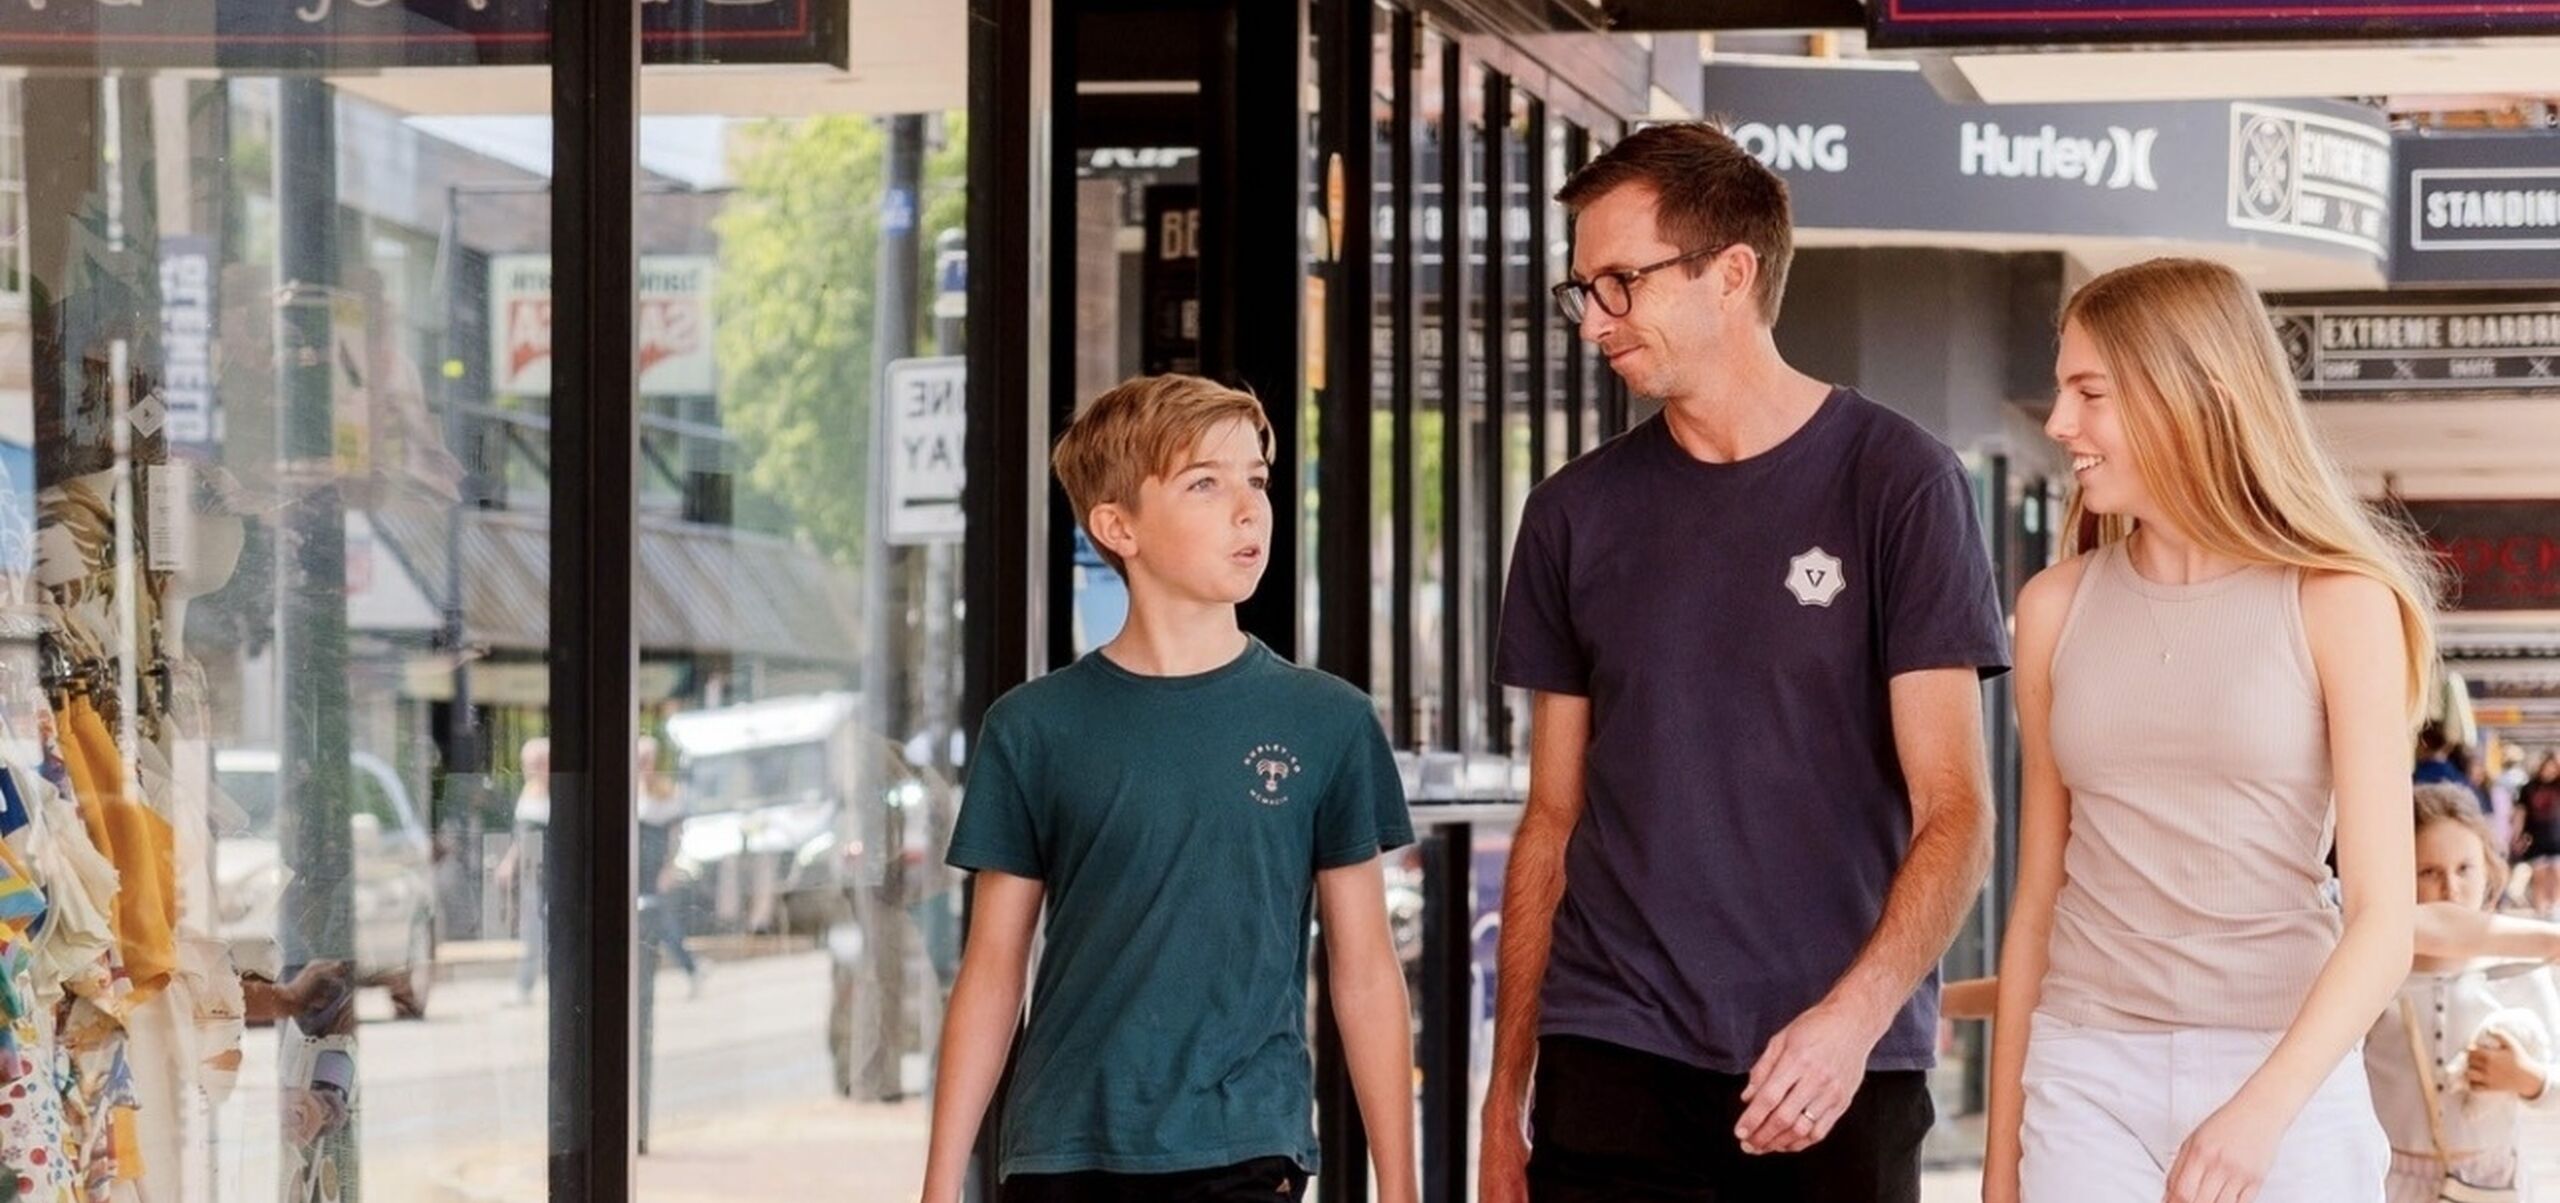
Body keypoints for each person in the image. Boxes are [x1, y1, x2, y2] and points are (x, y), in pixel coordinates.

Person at [1483, 121, 2009, 1203]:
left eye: (1619, 283)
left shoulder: (1899, 484)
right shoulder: (1571, 516)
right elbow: (1552, 820)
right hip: (1611, 1053)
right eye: (1581, 289)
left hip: (1832, 1068)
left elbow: (1955, 811)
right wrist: (1502, 1099)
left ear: (1732, 273)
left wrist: (1850, 1020)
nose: (1595, 321)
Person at [1985, 257, 2436, 1203]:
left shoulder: (2339, 603)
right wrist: (2000, 1167)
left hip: (2288, 1074)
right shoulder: (2053, 609)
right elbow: (2035, 902)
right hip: (2084, 1068)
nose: (2060, 421)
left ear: (2197, 396)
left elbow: (2383, 921)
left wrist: (2262, 1109)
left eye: (2089, 391)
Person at [919, 375, 1418, 1203]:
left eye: (1256, 478)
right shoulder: (1033, 728)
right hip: (1061, 1149)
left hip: (1244, 1144)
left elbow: (1364, 970)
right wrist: (940, 1185)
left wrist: (1399, 1186)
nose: (1249, 506)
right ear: (1119, 526)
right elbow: (993, 968)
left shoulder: (1327, 721)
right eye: (1204, 483)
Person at [2363, 784, 2560, 1203]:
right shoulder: (2369, 978)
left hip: (2494, 1184)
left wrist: (2530, 1079)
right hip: (2389, 1181)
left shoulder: (2520, 972)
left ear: (2489, 870)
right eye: (2429, 872)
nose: (2450, 889)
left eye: (2464, 869)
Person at [635, 735, 704, 997]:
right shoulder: (630, 788)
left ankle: (690, 966)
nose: (643, 765)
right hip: (635, 869)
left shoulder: (666, 792)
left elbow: (675, 835)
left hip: (655, 868)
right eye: (638, 759)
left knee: (661, 923)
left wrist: (669, 867)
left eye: (647, 760)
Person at [494, 736, 552, 1006]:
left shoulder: (547, 797)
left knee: (539, 930)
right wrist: (510, 861)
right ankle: (526, 985)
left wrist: (510, 862)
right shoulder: (531, 792)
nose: (528, 769)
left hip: (547, 872)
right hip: (534, 872)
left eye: (533, 764)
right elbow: (522, 836)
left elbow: (530, 835)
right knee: (533, 929)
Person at [2518, 753, 2560, 918]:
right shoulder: (2529, 788)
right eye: (2546, 766)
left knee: (2557, 874)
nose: (2549, 771)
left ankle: (2555, 908)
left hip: (2557, 839)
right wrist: (2518, 835)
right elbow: (2520, 813)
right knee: (2539, 876)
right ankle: (2540, 910)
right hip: (2537, 838)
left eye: (2553, 767)